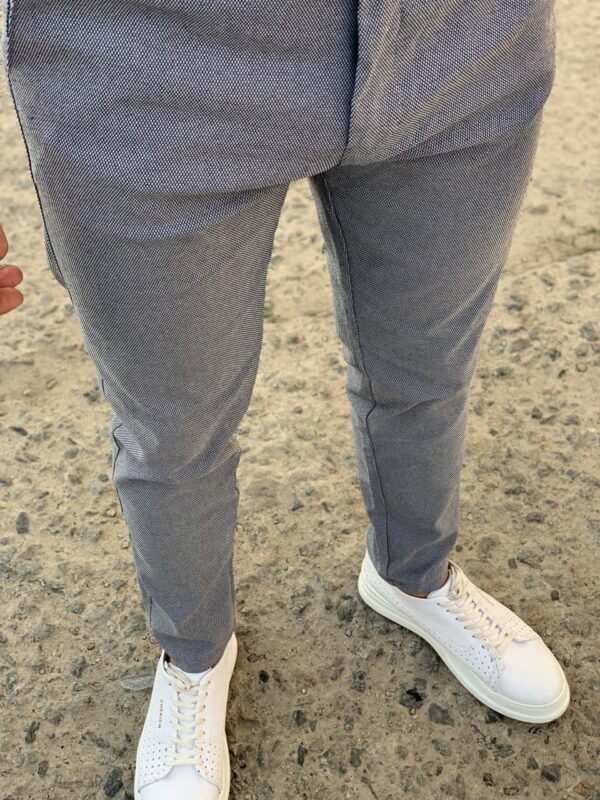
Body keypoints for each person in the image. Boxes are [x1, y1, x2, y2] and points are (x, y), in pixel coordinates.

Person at [2, 1, 570, 798]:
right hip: (146, 59)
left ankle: (415, 576)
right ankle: (194, 654)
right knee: (173, 428)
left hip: (461, 41)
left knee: (428, 369)